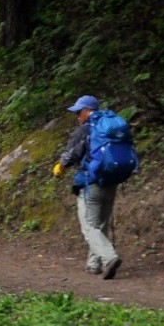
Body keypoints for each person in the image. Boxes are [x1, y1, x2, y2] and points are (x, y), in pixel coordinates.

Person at [53, 94, 134, 279]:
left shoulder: (85, 129)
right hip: (112, 181)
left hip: (91, 183)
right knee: (100, 225)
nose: (77, 116)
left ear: (87, 110)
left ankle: (109, 257)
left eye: (78, 112)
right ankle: (94, 264)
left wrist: (60, 167)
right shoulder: (110, 127)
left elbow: (70, 155)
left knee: (90, 226)